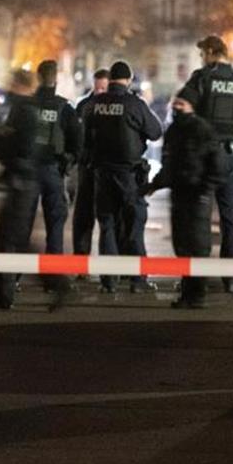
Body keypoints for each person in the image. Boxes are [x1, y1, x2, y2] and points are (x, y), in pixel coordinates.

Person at [176, 35, 233, 293]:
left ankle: (197, 278)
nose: (202, 60)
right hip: (232, 157)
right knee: (229, 218)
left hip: (203, 158)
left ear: (212, 52)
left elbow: (180, 107)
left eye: (203, 55)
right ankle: (231, 279)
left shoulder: (201, 79)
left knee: (198, 217)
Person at [83, 61, 162, 294]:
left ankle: (109, 281)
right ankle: (137, 280)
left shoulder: (94, 104)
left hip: (102, 173)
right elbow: (155, 132)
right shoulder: (134, 104)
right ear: (128, 79)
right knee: (133, 225)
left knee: (107, 225)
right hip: (129, 174)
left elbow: (84, 137)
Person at [141, 95, 224, 308]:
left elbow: (217, 164)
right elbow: (169, 164)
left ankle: (197, 295)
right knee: (182, 246)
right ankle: (188, 294)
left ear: (191, 105)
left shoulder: (202, 129)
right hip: (179, 195)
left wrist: (206, 189)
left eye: (182, 103)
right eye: (174, 103)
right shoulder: (173, 130)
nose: (176, 107)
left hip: (197, 196)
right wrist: (154, 185)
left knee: (198, 246)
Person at [0, 68, 41, 310]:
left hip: (21, 181)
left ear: (21, 85)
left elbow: (20, 145)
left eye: (12, 82)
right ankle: (0, 294)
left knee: (12, 242)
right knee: (6, 241)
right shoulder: (20, 109)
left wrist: (0, 141)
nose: (8, 86)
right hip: (18, 181)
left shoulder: (25, 111)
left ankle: (56, 283)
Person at [21, 60, 81, 308]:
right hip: (53, 171)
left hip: (28, 171)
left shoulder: (27, 105)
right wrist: (68, 162)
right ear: (55, 78)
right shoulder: (64, 108)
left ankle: (13, 276)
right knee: (55, 225)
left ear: (38, 76)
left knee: (22, 225)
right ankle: (53, 279)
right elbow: (77, 140)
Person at [73, 69, 118, 279]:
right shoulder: (84, 106)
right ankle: (81, 265)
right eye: (97, 88)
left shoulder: (114, 107)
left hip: (107, 168)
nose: (100, 92)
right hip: (87, 168)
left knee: (107, 219)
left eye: (104, 88)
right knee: (83, 217)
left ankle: (109, 272)